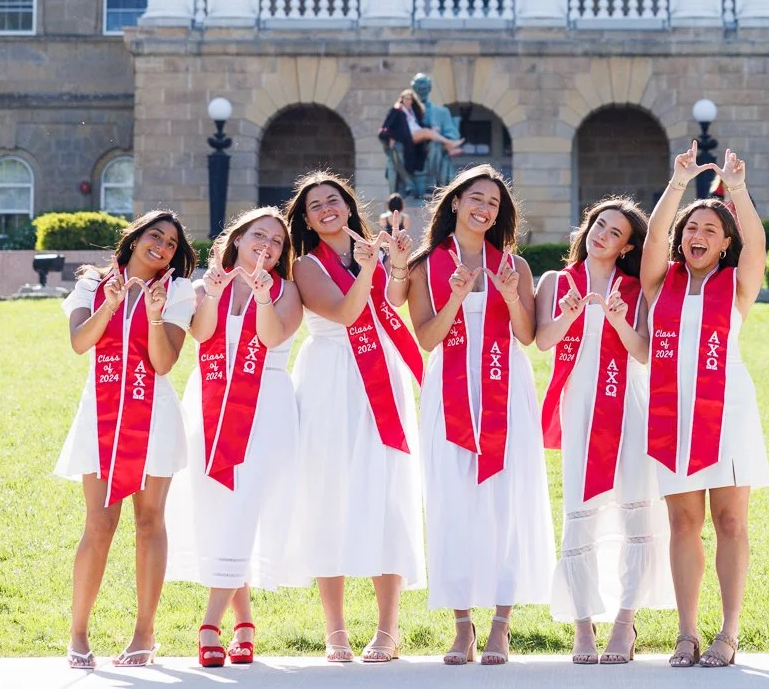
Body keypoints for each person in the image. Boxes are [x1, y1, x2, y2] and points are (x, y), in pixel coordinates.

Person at [403, 165, 555, 665]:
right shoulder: (427, 265)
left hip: (504, 392)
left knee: (504, 503)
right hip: (449, 394)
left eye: (493, 202)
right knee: (453, 501)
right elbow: (426, 338)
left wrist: (511, 295)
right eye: (475, 197)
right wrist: (455, 296)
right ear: (454, 203)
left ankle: (501, 625)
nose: (483, 208)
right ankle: (462, 626)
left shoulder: (514, 265)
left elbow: (528, 336)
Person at [284, 172, 426, 663]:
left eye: (334, 200)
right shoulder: (305, 265)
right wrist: (373, 269)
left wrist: (400, 264)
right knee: (329, 493)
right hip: (330, 376)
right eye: (315, 205)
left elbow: (395, 301)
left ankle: (388, 629)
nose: (326, 208)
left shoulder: (375, 249)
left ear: (348, 205)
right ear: (304, 219)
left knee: (385, 493)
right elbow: (346, 313)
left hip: (382, 376)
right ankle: (336, 630)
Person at [641, 145, 769, 669]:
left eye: (711, 231)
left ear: (725, 245)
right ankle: (687, 632)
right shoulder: (659, 283)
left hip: (728, 412)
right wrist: (678, 183)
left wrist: (736, 189)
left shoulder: (736, 287)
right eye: (691, 228)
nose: (698, 235)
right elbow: (652, 237)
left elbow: (758, 243)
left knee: (731, 521)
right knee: (682, 522)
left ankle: (729, 632)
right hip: (673, 414)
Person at [55, 211, 198, 669]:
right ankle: (78, 634)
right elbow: (80, 343)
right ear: (134, 237)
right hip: (100, 413)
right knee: (98, 524)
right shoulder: (92, 283)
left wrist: (154, 316)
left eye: (172, 244)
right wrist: (111, 305)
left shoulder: (176, 292)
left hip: (152, 413)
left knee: (150, 521)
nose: (162, 247)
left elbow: (163, 364)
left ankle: (144, 633)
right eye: (155, 236)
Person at [165, 207, 304, 667]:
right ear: (238, 239)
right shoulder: (210, 283)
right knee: (221, 506)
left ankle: (209, 624)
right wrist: (210, 295)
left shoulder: (287, 290)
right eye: (258, 235)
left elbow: (272, 336)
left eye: (277, 241)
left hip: (266, 405)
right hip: (210, 400)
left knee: (245, 505)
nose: (266, 245)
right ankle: (243, 622)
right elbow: (201, 335)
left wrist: (263, 298)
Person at [533, 197, 669, 665]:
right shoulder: (556, 282)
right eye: (598, 225)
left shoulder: (635, 289)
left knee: (635, 508)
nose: (601, 235)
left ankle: (625, 623)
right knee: (580, 506)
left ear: (627, 246)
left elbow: (644, 353)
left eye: (614, 232)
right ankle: (583, 627)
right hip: (580, 405)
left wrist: (615, 318)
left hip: (627, 404)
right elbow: (543, 341)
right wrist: (571, 313)